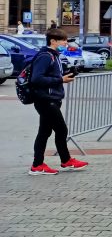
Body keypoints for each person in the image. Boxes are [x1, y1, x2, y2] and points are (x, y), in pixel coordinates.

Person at [28, 28, 89, 175]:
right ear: (53, 41)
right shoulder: (45, 56)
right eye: (63, 41)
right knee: (61, 130)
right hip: (46, 100)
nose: (65, 43)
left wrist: (65, 76)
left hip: (51, 99)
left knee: (45, 131)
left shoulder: (54, 56)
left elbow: (52, 76)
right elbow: (37, 79)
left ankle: (38, 164)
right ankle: (63, 161)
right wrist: (60, 79)